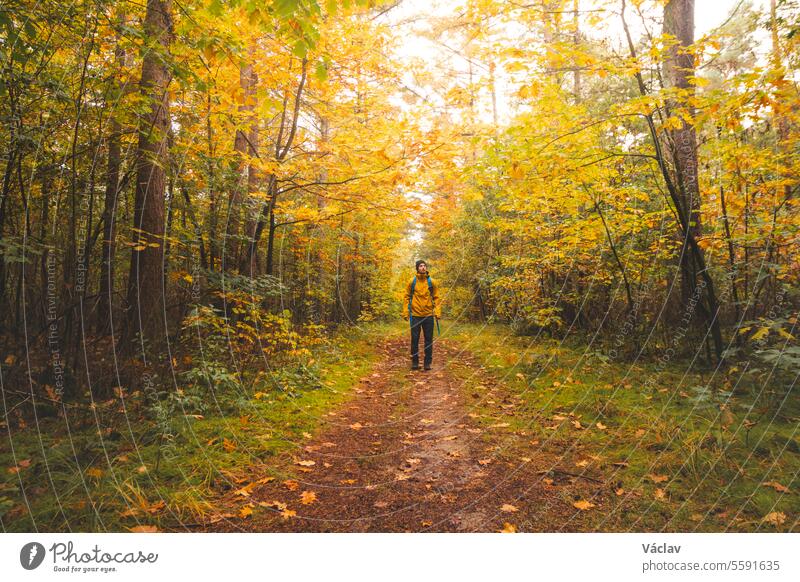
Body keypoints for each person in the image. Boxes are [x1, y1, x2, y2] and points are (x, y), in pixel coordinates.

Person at [402, 260, 441, 371]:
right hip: (415, 315)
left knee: (429, 340)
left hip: (428, 315)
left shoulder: (432, 282)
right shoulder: (412, 282)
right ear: (417, 268)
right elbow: (406, 297)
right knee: (415, 339)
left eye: (424, 266)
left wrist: (437, 312)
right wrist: (405, 312)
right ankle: (415, 362)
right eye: (421, 266)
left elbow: (436, 298)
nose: (423, 267)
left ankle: (427, 363)